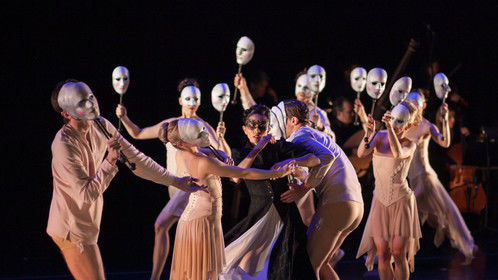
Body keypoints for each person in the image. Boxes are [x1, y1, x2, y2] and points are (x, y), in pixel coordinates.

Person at [47, 80, 206, 280]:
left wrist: (175, 181)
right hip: (70, 227)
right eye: (81, 103)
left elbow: (136, 159)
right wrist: (110, 161)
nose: (90, 105)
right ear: (66, 114)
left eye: (90, 97)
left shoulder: (101, 125)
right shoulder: (63, 145)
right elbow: (85, 195)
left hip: (86, 224)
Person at [115, 78, 230, 280]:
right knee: (184, 234)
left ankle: (156, 277)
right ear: (180, 101)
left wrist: (221, 137)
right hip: (174, 187)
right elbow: (138, 133)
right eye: (188, 98)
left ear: (200, 101)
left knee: (161, 225)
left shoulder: (202, 127)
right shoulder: (171, 126)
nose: (192, 102)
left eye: (195, 98)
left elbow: (223, 157)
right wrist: (123, 117)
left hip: (191, 186)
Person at [158, 118, 295, 280]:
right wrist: (277, 174)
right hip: (202, 222)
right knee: (201, 273)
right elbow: (243, 173)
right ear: (182, 143)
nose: (203, 134)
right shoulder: (203, 162)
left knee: (199, 272)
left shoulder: (184, 152)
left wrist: (221, 154)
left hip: (196, 219)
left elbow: (209, 151)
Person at [221, 104, 318, 279]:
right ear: (244, 129)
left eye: (262, 126)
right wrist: (257, 149)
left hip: (284, 212)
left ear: (268, 127)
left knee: (287, 261)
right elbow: (236, 177)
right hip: (259, 214)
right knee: (241, 260)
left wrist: (296, 169)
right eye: (252, 125)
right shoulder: (240, 153)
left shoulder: (278, 147)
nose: (257, 130)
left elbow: (313, 159)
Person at [270, 100, 364, 280]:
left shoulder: (300, 135)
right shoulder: (313, 134)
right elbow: (319, 164)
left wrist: (304, 188)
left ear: (293, 121)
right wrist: (299, 175)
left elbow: (326, 158)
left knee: (310, 266)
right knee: (322, 265)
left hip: (338, 204)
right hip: (354, 205)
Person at [405, 91, 477, 264]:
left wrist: (444, 120)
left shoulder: (426, 125)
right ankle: (394, 255)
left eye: (416, 104)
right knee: (444, 212)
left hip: (424, 177)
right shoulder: (404, 124)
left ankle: (468, 245)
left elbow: (445, 142)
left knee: (412, 213)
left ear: (422, 106)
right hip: (411, 179)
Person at [356, 101, 422, 280]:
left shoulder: (410, 143)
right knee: (383, 254)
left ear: (408, 125)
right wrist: (369, 133)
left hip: (401, 202)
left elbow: (398, 152)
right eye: (394, 119)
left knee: (399, 252)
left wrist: (389, 128)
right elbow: (362, 153)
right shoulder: (379, 136)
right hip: (380, 201)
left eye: (400, 121)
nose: (394, 123)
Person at [294, 70, 336, 142]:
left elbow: (332, 140)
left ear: (314, 92)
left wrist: (320, 126)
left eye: (306, 87)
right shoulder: (286, 108)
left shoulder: (319, 113)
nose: (302, 90)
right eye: (299, 85)